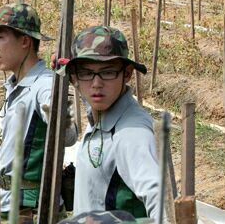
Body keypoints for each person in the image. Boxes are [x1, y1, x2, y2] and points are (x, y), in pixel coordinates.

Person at [0, 3, 78, 222]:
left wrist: (60, 120)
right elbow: (11, 149)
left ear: (25, 41)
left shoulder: (44, 84)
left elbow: (68, 136)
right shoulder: (16, 85)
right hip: (12, 205)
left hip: (33, 210)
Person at [62, 26, 159, 220]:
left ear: (127, 74)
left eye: (107, 73)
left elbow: (162, 205)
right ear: (74, 78)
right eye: (87, 73)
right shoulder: (100, 115)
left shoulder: (131, 133)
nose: (96, 83)